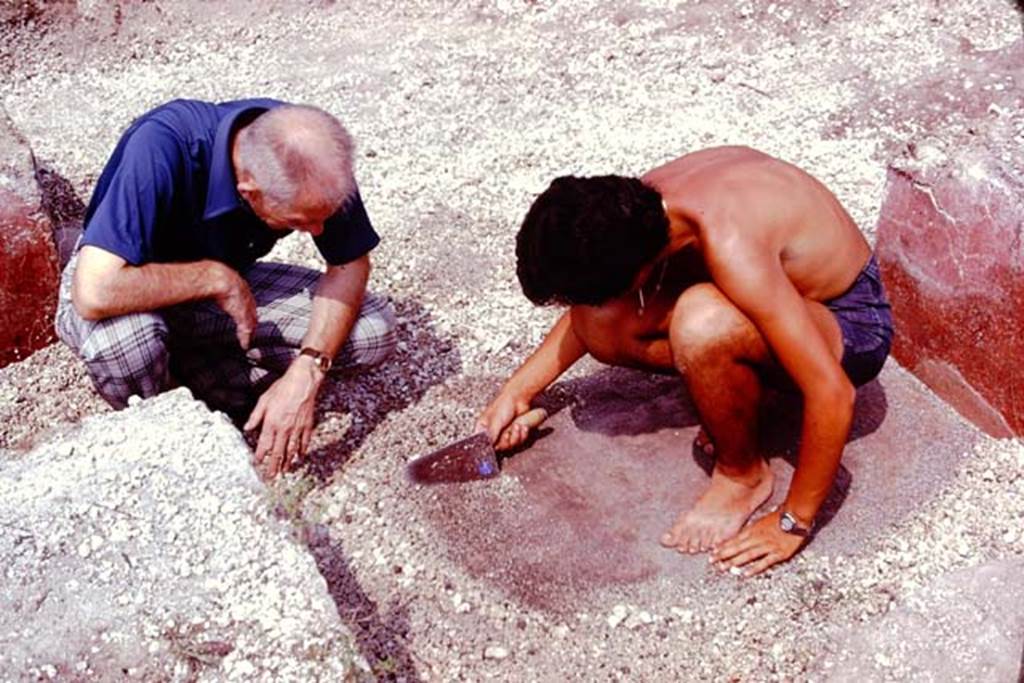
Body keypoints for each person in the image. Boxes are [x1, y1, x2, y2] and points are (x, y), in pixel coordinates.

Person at [478, 146, 892, 576]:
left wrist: (794, 522)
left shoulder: (731, 242)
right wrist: (517, 391)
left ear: (638, 273)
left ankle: (743, 476)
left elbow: (833, 391)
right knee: (606, 322)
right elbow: (589, 314)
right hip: (775, 291)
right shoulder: (633, 210)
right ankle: (739, 386)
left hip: (848, 319)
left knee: (702, 324)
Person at [56, 98, 397, 478]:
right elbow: (95, 291)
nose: (319, 231)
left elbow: (348, 265)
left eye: (323, 220)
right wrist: (215, 278)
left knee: (371, 331)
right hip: (125, 286)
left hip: (220, 294)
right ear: (249, 191)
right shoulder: (161, 147)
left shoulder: (313, 153)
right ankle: (179, 435)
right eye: (302, 222)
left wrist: (308, 369)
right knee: (126, 346)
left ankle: (191, 379)